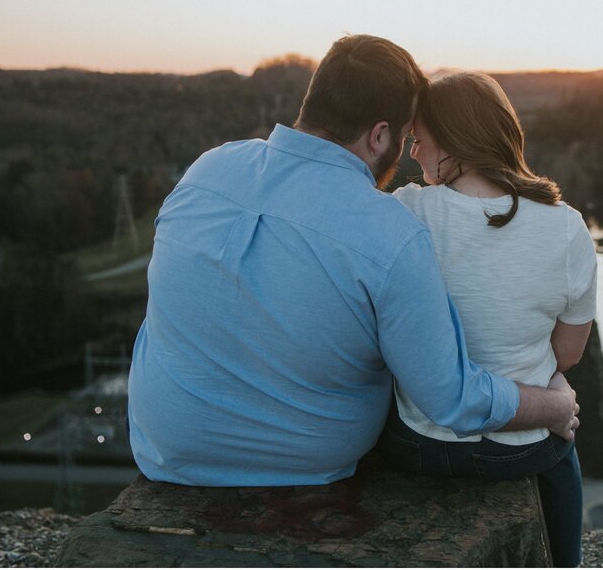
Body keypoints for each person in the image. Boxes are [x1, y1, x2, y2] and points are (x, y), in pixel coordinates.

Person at [126, 35, 579, 488]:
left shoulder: (208, 167)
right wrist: (556, 406)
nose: (405, 152)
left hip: (167, 448)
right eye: (404, 138)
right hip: (301, 465)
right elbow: (451, 399)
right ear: (379, 134)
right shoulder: (389, 230)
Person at [380, 71, 597, 567]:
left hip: (415, 441)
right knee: (563, 445)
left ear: (454, 141)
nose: (414, 153)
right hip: (520, 450)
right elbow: (567, 353)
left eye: (420, 140)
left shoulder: (405, 210)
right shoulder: (566, 228)